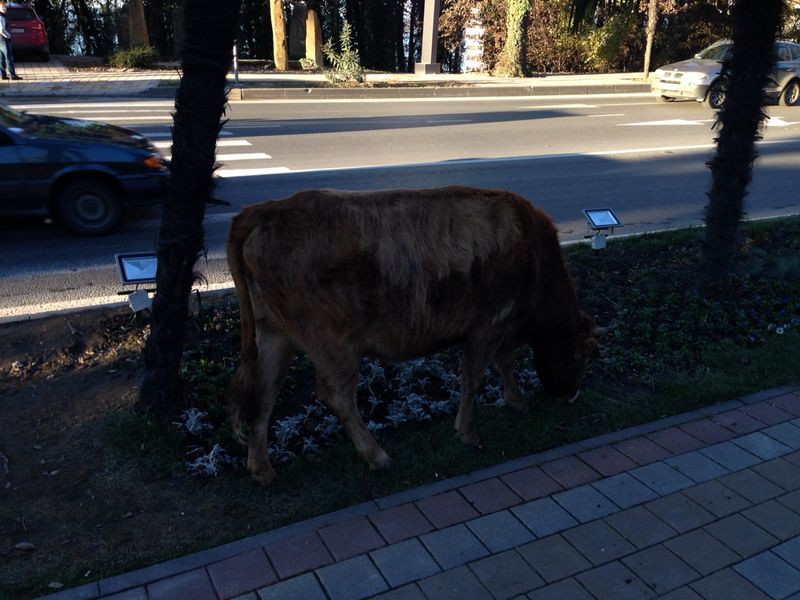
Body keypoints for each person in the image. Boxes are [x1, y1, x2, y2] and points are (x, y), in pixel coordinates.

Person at [0, 0, 22, 81]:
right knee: (9, 58)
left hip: (0, 40)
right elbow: (2, 30)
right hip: (4, 39)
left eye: (5, 7)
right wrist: (8, 36)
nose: (4, 8)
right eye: (2, 7)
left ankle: (3, 75)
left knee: (1, 58)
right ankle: (13, 76)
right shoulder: (1, 17)